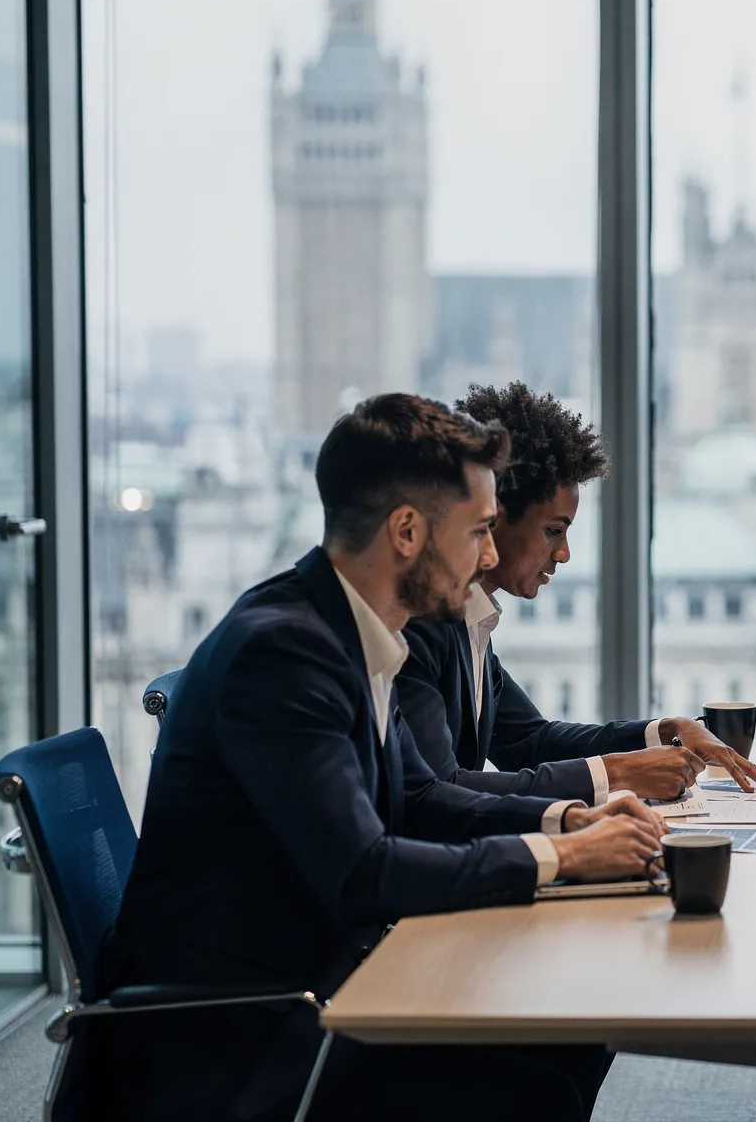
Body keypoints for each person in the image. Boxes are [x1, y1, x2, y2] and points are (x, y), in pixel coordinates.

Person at [93, 394, 666, 1121]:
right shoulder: (285, 653)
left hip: (326, 973)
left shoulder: (349, 630)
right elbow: (363, 872)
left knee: (573, 1031)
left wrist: (573, 822)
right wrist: (566, 858)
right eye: (479, 531)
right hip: (239, 1029)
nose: (489, 557)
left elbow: (420, 797)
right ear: (406, 531)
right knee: (537, 1087)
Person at [396, 382, 756, 805]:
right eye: (553, 531)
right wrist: (617, 773)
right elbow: (440, 789)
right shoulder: (422, 621)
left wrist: (661, 731)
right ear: (494, 518)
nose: (564, 553)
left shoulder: (471, 617)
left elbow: (528, 739)